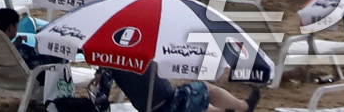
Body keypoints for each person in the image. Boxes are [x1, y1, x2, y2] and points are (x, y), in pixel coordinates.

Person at [0, 8, 115, 112]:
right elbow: (37, 60)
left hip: (1, 76)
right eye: (16, 26)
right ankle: (83, 50)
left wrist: (17, 44)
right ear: (10, 27)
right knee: (59, 53)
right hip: (30, 75)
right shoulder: (19, 50)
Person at [111, 62, 260, 112]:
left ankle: (224, 111)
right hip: (167, 104)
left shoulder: (107, 60)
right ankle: (245, 107)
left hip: (152, 107)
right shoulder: (137, 49)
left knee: (191, 101)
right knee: (205, 88)